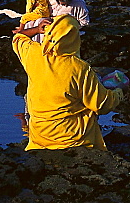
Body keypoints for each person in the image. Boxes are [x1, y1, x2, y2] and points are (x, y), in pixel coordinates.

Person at [12, 15, 123, 151]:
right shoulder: (80, 68)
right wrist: (118, 93)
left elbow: (17, 38)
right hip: (73, 140)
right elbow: (102, 105)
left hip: (40, 139)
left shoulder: (34, 55)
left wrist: (36, 29)